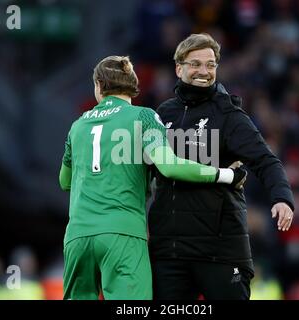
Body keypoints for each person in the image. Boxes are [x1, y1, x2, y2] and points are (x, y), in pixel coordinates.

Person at [58, 55, 247, 300]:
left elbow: (65, 181)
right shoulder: (143, 117)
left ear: (99, 85)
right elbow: (169, 166)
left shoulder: (77, 126)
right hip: (122, 234)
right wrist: (225, 174)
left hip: (77, 237)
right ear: (132, 84)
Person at [148, 33, 295, 300]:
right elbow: (146, 169)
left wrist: (282, 198)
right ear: (178, 68)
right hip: (169, 251)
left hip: (220, 250)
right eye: (195, 64)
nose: (204, 71)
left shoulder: (229, 116)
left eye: (211, 64)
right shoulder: (162, 114)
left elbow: (265, 160)